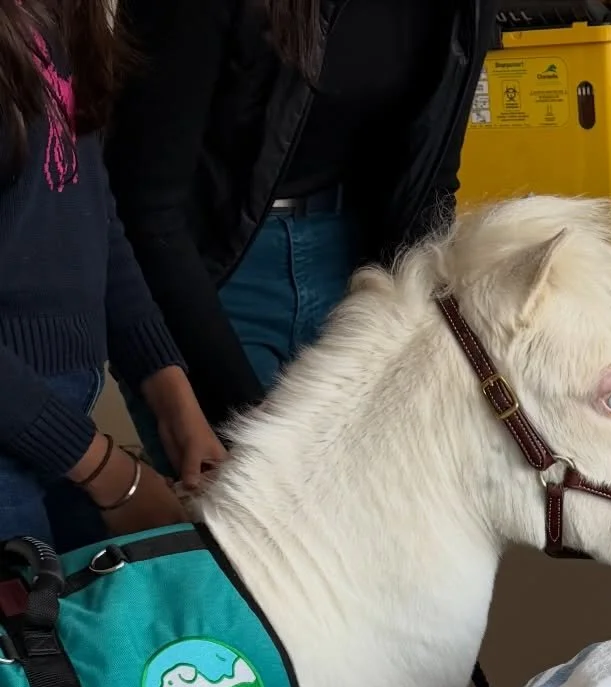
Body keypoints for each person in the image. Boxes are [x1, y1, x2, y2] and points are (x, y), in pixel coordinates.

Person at [104, 0, 497, 453]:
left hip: (357, 273)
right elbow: (146, 210)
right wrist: (241, 416)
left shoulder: (462, 9)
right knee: (247, 504)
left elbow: (431, 181)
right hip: (211, 280)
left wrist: (424, 348)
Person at [0, 0, 221, 552]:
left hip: (62, 423)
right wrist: (113, 477)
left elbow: (94, 217)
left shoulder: (57, 16)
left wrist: (170, 392)